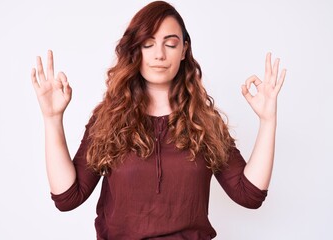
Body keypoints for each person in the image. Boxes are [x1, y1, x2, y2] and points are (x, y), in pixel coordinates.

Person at [31, 1, 286, 239]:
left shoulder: (205, 121)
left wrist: (268, 120)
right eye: (148, 43)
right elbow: (68, 198)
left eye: (170, 43)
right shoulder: (108, 119)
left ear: (184, 50)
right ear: (135, 49)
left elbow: (249, 195)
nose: (159, 54)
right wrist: (52, 119)